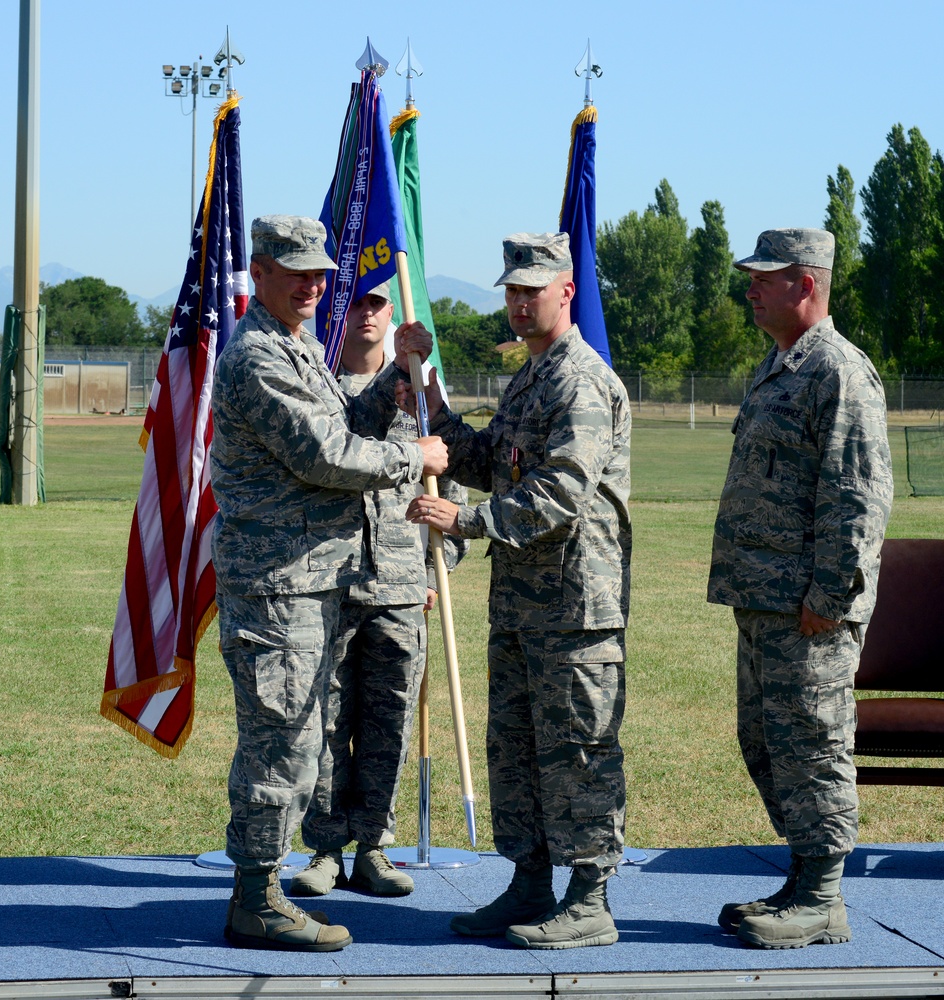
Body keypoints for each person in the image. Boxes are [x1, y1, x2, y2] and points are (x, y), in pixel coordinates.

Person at [210, 215, 448, 952]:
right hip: (278, 590)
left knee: (303, 739)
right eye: (297, 271)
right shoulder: (258, 357)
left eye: (321, 272)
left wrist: (390, 385)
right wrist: (418, 456)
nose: (314, 284)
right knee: (281, 743)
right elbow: (325, 454)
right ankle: (256, 897)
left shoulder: (299, 347)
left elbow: (344, 418)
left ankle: (267, 889)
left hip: (312, 584)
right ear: (260, 272)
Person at [402, 233, 631, 950]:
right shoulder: (530, 378)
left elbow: (562, 488)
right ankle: (530, 882)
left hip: (574, 605)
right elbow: (485, 460)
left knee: (579, 746)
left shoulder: (578, 380)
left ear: (567, 290)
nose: (520, 302)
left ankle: (589, 897)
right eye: (512, 290)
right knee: (519, 748)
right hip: (523, 604)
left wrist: (466, 522)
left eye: (535, 289)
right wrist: (429, 398)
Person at [708, 228, 893, 949]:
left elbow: (858, 495)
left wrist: (830, 595)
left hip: (808, 608)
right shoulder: (776, 366)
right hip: (763, 598)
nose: (751, 287)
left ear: (806, 284)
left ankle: (822, 899)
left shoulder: (837, 371)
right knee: (768, 741)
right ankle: (802, 879)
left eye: (767, 277)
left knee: (813, 743)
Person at [290, 282, 468, 898]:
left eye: (377, 303)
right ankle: (323, 848)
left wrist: (437, 571)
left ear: (395, 312)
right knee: (326, 721)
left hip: (400, 586)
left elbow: (454, 488)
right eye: (357, 302)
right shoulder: (317, 385)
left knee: (388, 722)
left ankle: (374, 845)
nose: (366, 313)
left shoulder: (421, 394)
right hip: (330, 582)